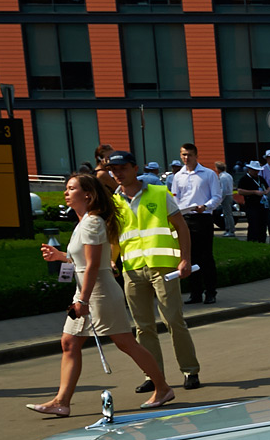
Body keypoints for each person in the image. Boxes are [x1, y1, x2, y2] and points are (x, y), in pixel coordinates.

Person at [29, 173, 174, 416]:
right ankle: (61, 402)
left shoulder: (93, 222)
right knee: (69, 342)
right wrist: (61, 256)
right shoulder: (84, 221)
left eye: (71, 188)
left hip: (99, 293)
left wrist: (83, 300)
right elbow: (84, 261)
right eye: (66, 188)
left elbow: (94, 265)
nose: (66, 192)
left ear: (88, 194)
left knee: (125, 342)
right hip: (86, 292)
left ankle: (162, 388)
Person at [110, 151, 203, 392]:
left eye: (122, 168)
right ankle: (154, 376)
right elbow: (114, 237)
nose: (117, 173)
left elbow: (181, 227)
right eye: (114, 169)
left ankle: (190, 370)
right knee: (143, 326)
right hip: (132, 268)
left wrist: (185, 259)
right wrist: (112, 261)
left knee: (173, 319)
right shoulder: (115, 201)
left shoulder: (159, 193)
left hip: (163, 266)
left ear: (135, 168)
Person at [169, 144, 221, 305]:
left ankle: (210, 291)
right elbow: (174, 198)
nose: (186, 158)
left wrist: (205, 206)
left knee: (205, 256)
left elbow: (217, 196)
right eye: (184, 155)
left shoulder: (208, 174)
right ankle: (195, 292)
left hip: (202, 217)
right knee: (188, 256)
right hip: (185, 217)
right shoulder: (178, 176)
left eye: (189, 155)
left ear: (196, 155)